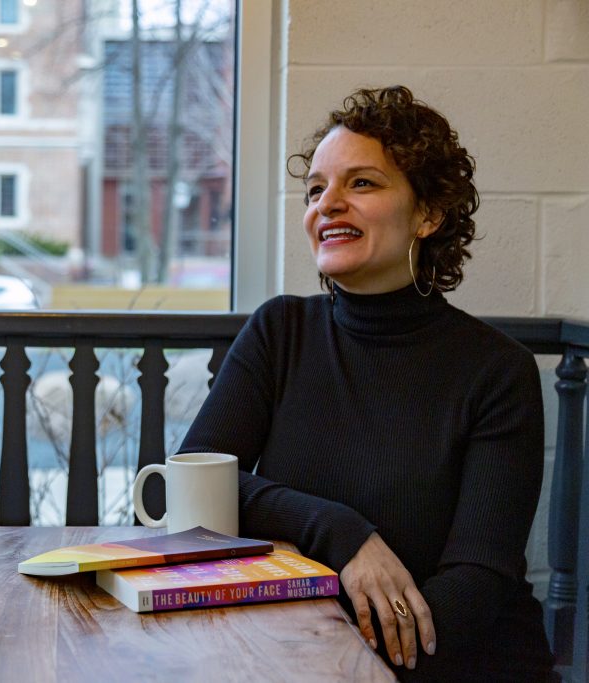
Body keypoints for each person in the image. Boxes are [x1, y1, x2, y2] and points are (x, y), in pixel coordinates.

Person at [179, 85, 556, 681]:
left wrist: (340, 660)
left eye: (361, 183)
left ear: (428, 215)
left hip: (453, 664)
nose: (327, 204)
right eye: (316, 189)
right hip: (294, 655)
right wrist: (344, 534)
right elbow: (197, 478)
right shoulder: (280, 331)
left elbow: (478, 581)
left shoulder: (497, 370)